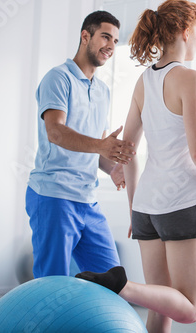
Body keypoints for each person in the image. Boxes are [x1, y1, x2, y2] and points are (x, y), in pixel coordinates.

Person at [76, 1, 196, 332]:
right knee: (191, 308)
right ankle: (123, 287)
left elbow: (128, 151)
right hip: (181, 202)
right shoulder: (190, 79)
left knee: (161, 303)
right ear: (184, 32)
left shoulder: (143, 82)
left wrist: (133, 207)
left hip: (146, 208)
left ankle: (126, 286)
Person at [26, 11, 135, 278]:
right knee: (52, 283)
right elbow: (56, 132)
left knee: (113, 278)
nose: (111, 46)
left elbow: (97, 147)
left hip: (88, 199)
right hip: (54, 195)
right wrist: (101, 146)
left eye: (116, 41)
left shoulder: (103, 91)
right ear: (85, 36)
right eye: (105, 36)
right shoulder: (58, 78)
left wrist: (112, 168)